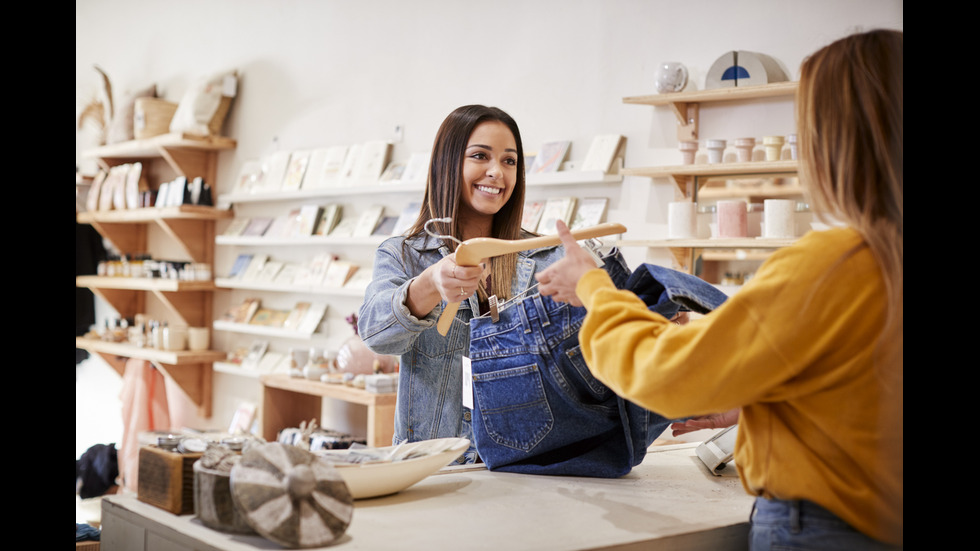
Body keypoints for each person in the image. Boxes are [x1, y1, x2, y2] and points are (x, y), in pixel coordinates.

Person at [535, 29, 903, 550]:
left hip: (824, 528)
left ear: (832, 140)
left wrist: (594, 288)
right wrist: (770, 398)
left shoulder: (831, 266)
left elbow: (665, 373)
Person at [357, 104, 567, 462]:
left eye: (509, 161)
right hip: (433, 468)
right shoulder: (404, 255)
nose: (496, 172)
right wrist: (427, 285)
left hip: (526, 465)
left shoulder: (546, 257)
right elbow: (376, 334)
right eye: (480, 156)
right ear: (447, 163)